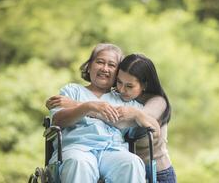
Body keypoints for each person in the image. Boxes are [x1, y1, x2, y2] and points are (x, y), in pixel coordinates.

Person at [47, 53, 177, 183]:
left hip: (158, 170)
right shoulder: (72, 90)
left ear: (144, 85)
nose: (122, 89)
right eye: (119, 82)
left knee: (131, 162)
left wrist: (84, 106)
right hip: (78, 148)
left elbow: (152, 129)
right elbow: (57, 119)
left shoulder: (154, 101)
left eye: (129, 86)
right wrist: (89, 106)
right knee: (78, 162)